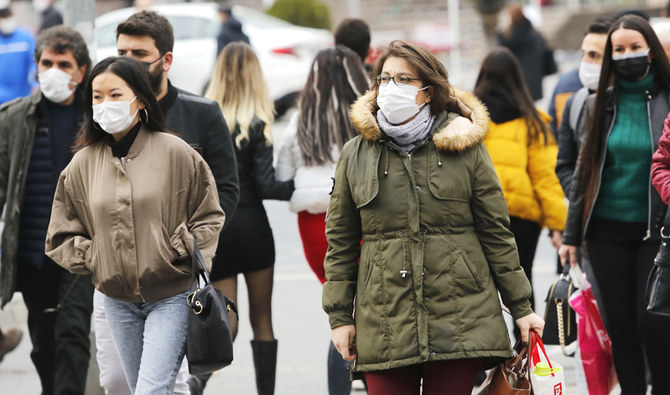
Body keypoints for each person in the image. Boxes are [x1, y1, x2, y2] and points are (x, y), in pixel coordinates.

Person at [324, 40, 544, 395]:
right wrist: (339, 318)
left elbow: (496, 233)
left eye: (403, 79)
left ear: (428, 92)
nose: (390, 88)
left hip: (459, 317)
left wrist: (521, 307)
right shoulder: (355, 153)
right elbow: (341, 244)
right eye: (384, 79)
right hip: (384, 320)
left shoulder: (464, 144)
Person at [45, 55, 225, 394]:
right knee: (135, 388)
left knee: (151, 390)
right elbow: (59, 235)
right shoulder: (81, 165)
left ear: (139, 99)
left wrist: (181, 249)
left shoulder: (176, 152)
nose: (104, 104)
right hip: (117, 299)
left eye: (115, 95)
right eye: (97, 97)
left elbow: (209, 214)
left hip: (171, 293)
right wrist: (96, 256)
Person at [91, 10, 240, 395]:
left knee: (158, 384)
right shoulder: (105, 120)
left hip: (171, 280)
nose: (126, 62)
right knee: (117, 381)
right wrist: (95, 252)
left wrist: (189, 248)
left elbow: (224, 191)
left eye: (139, 54)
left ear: (166, 60)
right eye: (121, 51)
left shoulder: (201, 114)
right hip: (115, 281)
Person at [559, 15, 670, 394]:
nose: (627, 56)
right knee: (620, 325)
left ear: (651, 51)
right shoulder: (598, 105)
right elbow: (583, 173)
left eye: (635, 48)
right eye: (618, 50)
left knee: (653, 321)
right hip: (606, 230)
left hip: (657, 230)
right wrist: (571, 235)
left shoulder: (668, 99)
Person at [195, 41, 293, 395]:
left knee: (226, 322)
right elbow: (268, 185)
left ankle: (195, 383)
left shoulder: (204, 122)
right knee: (263, 320)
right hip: (254, 229)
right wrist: (305, 185)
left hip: (219, 230)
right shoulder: (258, 122)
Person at [0, 25, 93, 395]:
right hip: (33, 254)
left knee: (72, 333)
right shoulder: (14, 119)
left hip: (82, 252)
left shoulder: (97, 117)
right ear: (36, 66)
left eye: (64, 64)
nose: (54, 71)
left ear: (81, 71)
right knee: (43, 343)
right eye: (47, 62)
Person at [276, 45, 369, 395]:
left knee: (342, 312)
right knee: (365, 308)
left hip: (315, 224)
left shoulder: (302, 120)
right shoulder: (364, 117)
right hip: (359, 219)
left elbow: (283, 171)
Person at [474, 47, 567, 313]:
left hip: (480, 214)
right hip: (523, 218)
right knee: (522, 282)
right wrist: (558, 226)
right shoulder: (533, 122)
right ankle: (525, 347)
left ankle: (491, 351)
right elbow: (546, 178)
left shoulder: (470, 120)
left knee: (479, 286)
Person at [555, 19, 610, 195]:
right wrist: (580, 198)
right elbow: (564, 163)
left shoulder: (636, 103)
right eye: (583, 54)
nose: (585, 62)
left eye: (594, 55)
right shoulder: (575, 103)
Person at [497, 3, 552, 101]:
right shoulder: (535, 34)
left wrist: (500, 33)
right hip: (535, 79)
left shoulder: (513, 37)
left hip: (518, 81)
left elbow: (501, 54)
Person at [0, 0, 36, 104]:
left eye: (8, 15)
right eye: (2, 16)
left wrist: (36, 83)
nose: (6, 19)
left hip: (22, 98)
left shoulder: (25, 37)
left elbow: (34, 62)